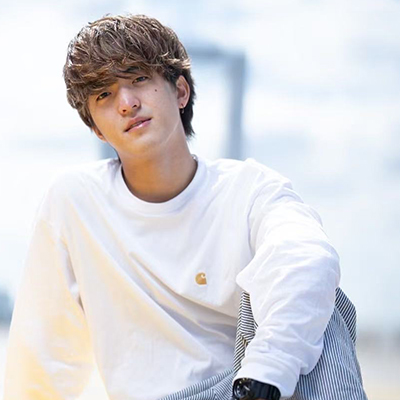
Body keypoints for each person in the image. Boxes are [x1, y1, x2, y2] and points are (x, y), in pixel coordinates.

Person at [3, 14, 366, 400]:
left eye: (138, 78)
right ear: (95, 127)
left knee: (313, 297)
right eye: (104, 95)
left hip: (248, 387)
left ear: (180, 91)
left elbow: (308, 257)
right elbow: (41, 354)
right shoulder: (75, 201)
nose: (126, 103)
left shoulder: (249, 190)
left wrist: (266, 373)